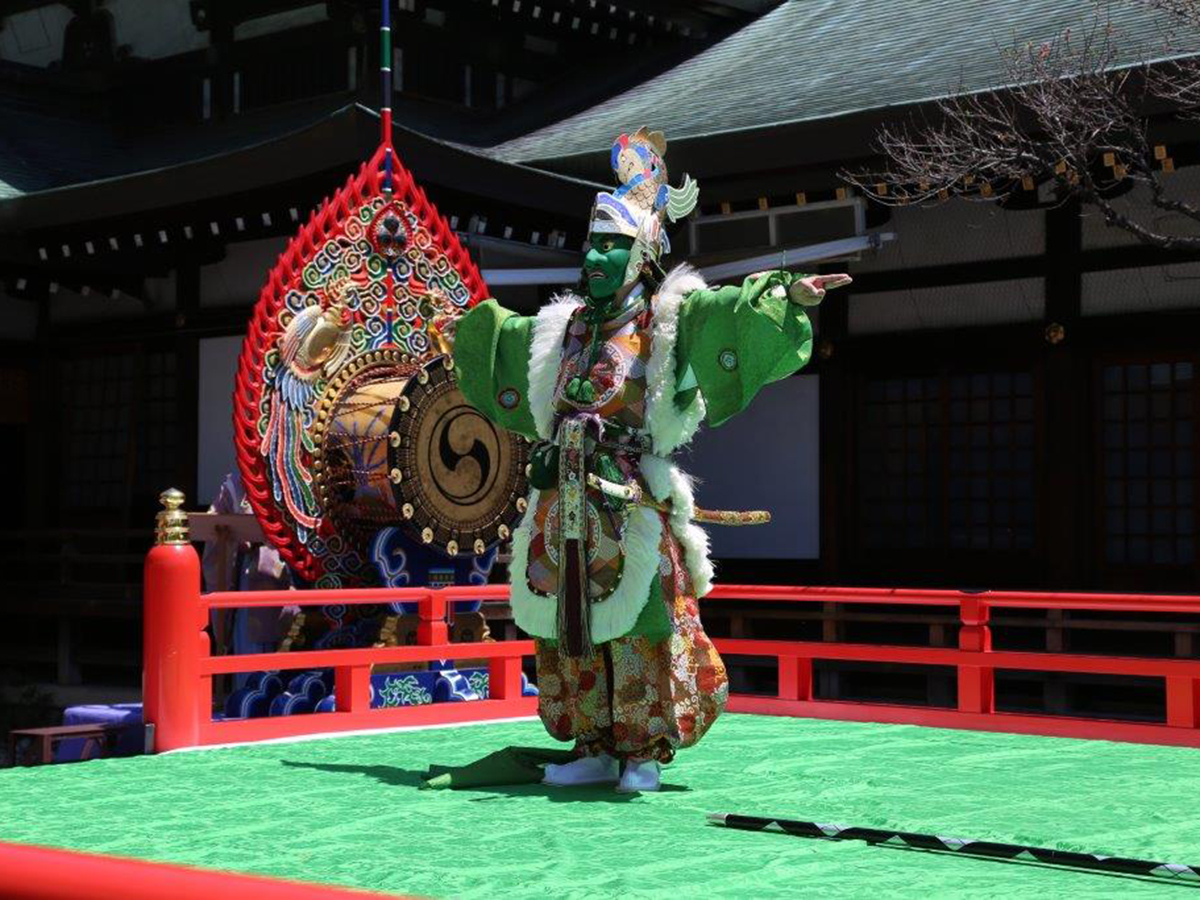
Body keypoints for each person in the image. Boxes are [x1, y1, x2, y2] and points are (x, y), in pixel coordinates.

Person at [433, 128, 850, 792]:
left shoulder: (668, 323)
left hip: (629, 497)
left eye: (614, 246)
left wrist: (784, 296)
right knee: (570, 622)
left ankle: (643, 751)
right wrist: (460, 325)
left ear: (646, 253)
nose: (597, 256)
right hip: (562, 495)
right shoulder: (563, 329)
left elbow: (728, 314)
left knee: (642, 622)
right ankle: (594, 744)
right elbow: (498, 342)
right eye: (594, 244)